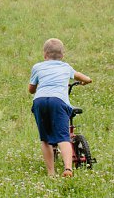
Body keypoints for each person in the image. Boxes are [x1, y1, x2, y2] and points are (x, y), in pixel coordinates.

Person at [28, 38, 93, 177]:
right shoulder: (66, 67)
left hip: (39, 101)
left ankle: (51, 173)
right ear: (62, 55)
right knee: (63, 137)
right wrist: (85, 82)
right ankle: (68, 169)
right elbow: (85, 78)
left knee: (45, 139)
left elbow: (31, 90)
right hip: (58, 101)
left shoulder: (37, 67)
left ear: (44, 54)